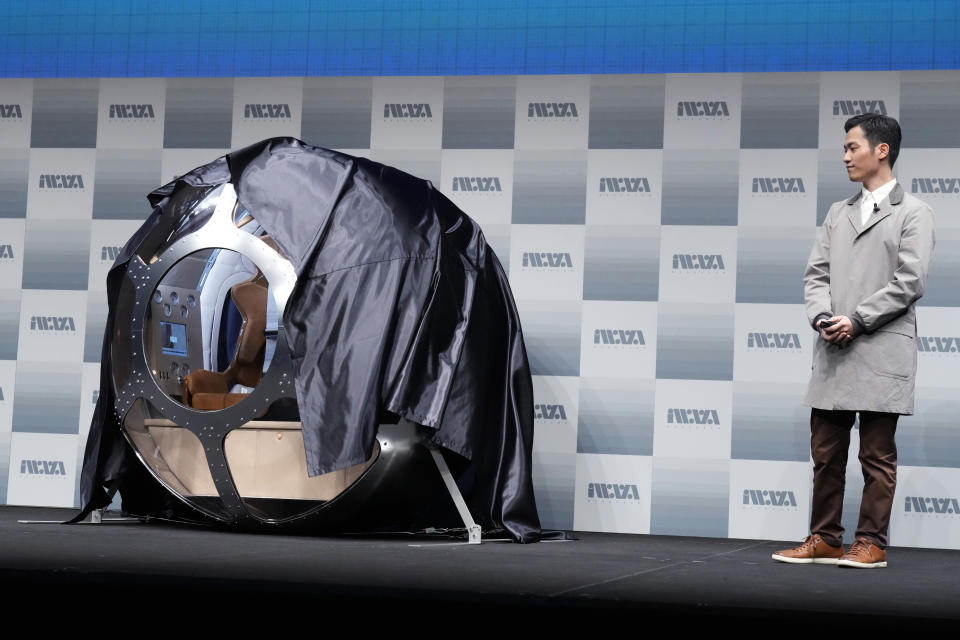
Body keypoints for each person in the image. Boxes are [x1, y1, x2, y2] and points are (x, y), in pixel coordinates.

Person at [772, 114, 935, 568]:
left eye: (852, 147)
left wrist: (858, 320)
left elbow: (910, 280)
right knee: (825, 454)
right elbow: (816, 274)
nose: (844, 156)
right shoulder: (837, 212)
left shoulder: (914, 212)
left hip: (880, 346)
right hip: (835, 349)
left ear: (881, 150)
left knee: (876, 456)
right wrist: (824, 316)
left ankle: (871, 543)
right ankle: (824, 537)